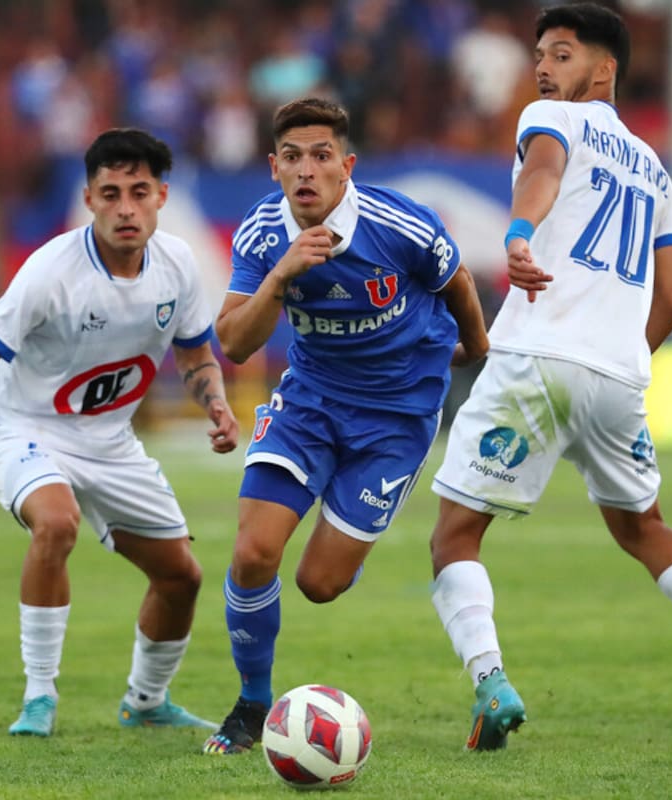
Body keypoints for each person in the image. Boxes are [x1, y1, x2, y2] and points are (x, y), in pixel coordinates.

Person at [427, 3, 672, 751]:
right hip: (618, 376)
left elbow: (542, 172)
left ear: (603, 70)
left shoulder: (551, 119)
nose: (541, 67)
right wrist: (624, 361)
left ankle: (491, 683)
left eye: (561, 55)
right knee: (644, 527)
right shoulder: (656, 169)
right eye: (539, 54)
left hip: (537, 358)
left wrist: (520, 234)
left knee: (455, 537)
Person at [0, 128, 239, 738]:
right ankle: (40, 696)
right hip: (22, 429)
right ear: (88, 198)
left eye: (138, 192)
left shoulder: (179, 266)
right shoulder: (50, 272)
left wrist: (215, 404)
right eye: (110, 193)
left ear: (161, 197)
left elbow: (196, 359)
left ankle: (146, 701)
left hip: (109, 441)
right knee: (56, 522)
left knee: (181, 577)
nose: (125, 208)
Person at [200, 97, 490, 755]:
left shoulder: (399, 223)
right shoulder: (263, 235)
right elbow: (236, 343)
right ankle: (250, 705)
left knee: (318, 585)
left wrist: (477, 350)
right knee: (252, 553)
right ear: (274, 168)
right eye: (293, 157)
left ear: (347, 165)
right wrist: (282, 274)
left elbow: (459, 282)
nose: (307, 170)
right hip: (310, 404)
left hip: (396, 417)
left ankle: (343, 532)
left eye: (322, 156)